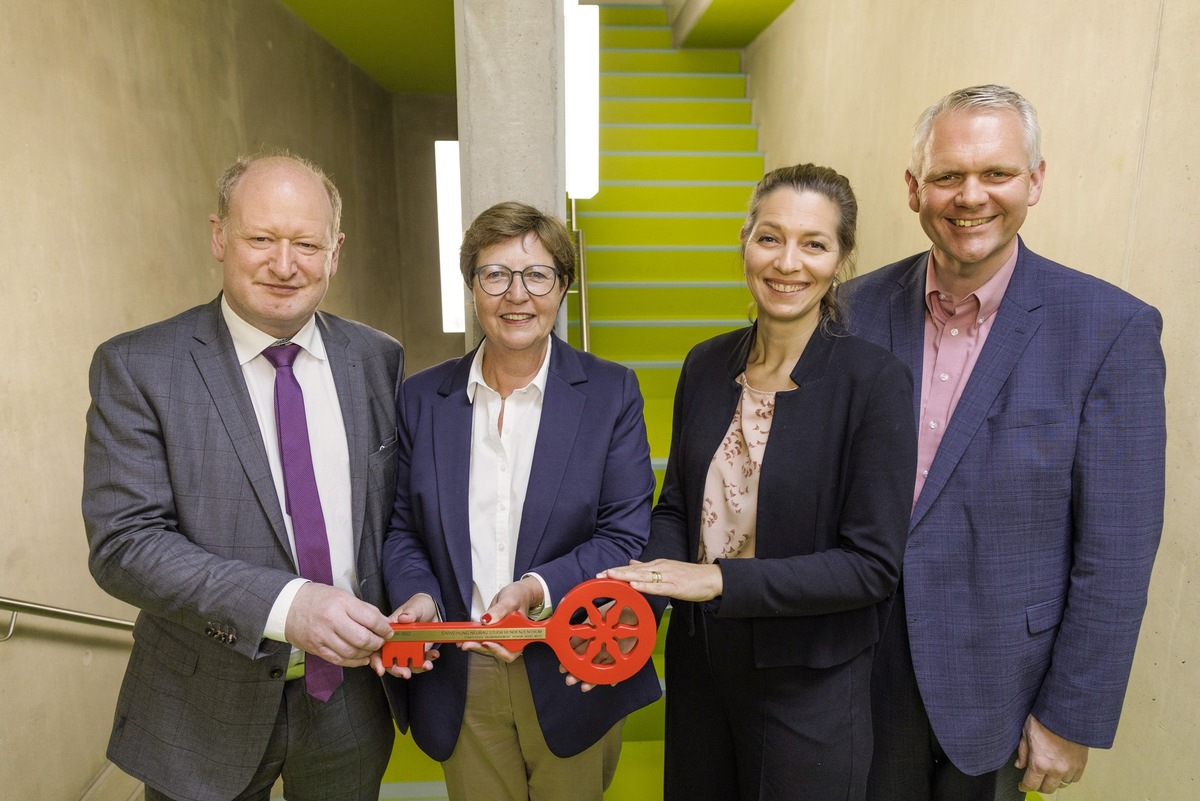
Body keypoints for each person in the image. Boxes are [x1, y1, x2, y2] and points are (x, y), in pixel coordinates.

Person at [841, 85, 1167, 800]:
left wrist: (1071, 713)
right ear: (913, 189)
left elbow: (1117, 550)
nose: (971, 196)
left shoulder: (1110, 329)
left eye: (997, 173)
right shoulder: (850, 310)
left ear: (1036, 181)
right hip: (858, 673)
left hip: (1003, 689)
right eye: (948, 175)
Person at [82, 152, 403, 801]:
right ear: (219, 237)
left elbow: (395, 515)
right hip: (202, 700)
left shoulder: (378, 359)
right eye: (262, 238)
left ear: (334, 251)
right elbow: (125, 545)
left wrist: (417, 587)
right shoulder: (139, 366)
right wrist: (289, 605)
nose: (284, 265)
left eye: (306, 243)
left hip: (349, 700)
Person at [602, 164, 917, 801]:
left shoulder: (874, 381)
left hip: (810, 688)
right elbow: (678, 508)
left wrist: (717, 578)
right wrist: (636, 603)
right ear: (744, 242)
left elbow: (871, 567)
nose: (788, 262)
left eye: (814, 243)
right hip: (701, 671)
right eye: (770, 237)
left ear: (841, 259)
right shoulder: (706, 363)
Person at [376, 201, 662, 801]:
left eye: (538, 275)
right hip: (461, 670)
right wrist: (420, 595)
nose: (517, 295)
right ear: (473, 286)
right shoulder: (423, 398)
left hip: (569, 655)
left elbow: (623, 535)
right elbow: (402, 528)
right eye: (495, 274)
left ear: (562, 288)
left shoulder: (612, 392)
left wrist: (534, 588)